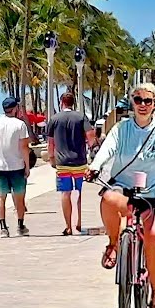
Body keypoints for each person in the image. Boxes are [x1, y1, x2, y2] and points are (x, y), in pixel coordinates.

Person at [87, 82, 155, 308]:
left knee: (153, 235)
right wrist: (95, 166)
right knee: (107, 198)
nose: (142, 105)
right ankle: (113, 244)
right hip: (125, 186)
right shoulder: (121, 128)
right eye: (137, 100)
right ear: (132, 102)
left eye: (147, 101)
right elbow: (107, 147)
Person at [45, 91, 96, 235]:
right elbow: (90, 135)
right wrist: (91, 149)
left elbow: (50, 143)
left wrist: (51, 158)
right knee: (77, 193)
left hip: (62, 163)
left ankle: (68, 226)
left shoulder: (54, 119)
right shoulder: (80, 117)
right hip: (79, 162)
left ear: (61, 102)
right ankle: (77, 224)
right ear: (73, 103)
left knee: (65, 193)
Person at [0, 97, 31, 238]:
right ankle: (20, 225)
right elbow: (24, 147)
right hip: (17, 165)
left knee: (1, 197)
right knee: (19, 197)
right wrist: (27, 166)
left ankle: (3, 227)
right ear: (15, 108)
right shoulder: (20, 125)